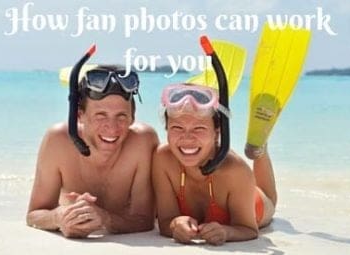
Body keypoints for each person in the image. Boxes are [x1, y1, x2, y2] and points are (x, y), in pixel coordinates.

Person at [26, 63, 158, 238]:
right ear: (79, 115)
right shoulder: (58, 141)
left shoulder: (143, 142)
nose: (112, 128)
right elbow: (34, 215)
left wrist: (105, 219)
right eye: (100, 115)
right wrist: (59, 217)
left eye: (121, 116)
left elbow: (144, 220)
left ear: (133, 117)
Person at [152, 83, 277, 245]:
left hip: (254, 204)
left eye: (199, 128)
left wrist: (227, 232)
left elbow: (250, 230)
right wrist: (175, 225)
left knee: (269, 200)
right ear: (166, 129)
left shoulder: (236, 171)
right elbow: (165, 221)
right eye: (177, 127)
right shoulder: (162, 159)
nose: (187, 138)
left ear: (217, 132)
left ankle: (259, 148)